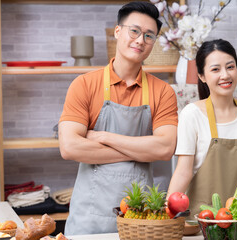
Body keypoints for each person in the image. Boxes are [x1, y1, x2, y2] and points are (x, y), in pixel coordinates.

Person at [58, 2, 178, 235]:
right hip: (88, 221)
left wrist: (103, 137)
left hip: (142, 220)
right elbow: (70, 147)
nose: (140, 40)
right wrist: (141, 151)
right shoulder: (84, 85)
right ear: (117, 31)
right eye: (134, 31)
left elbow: (164, 149)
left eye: (149, 35)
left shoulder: (163, 91)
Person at [167, 39, 237, 219]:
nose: (225, 75)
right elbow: (183, 171)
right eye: (215, 69)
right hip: (204, 221)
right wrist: (168, 214)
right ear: (202, 76)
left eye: (230, 67)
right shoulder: (191, 114)